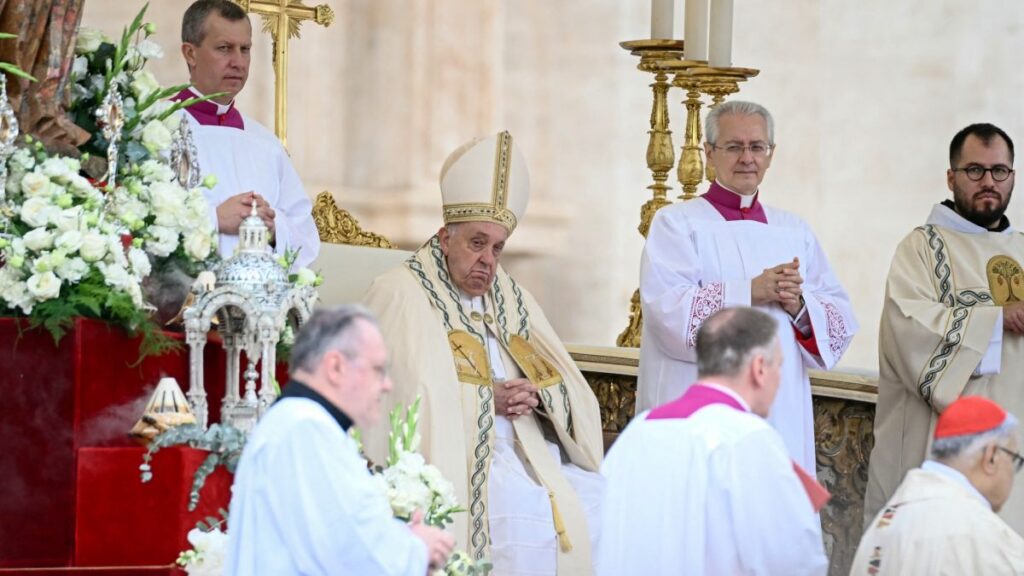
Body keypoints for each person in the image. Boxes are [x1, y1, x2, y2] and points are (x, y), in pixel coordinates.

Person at [362, 131, 605, 575]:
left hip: (530, 453)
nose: (488, 261)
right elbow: (392, 394)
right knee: (524, 521)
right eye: (476, 243)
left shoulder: (513, 299)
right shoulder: (400, 293)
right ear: (445, 237)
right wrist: (484, 398)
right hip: (461, 458)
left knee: (606, 505)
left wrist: (539, 395)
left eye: (497, 248)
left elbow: (564, 384)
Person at [637, 100, 858, 472]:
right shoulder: (676, 224)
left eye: (757, 147)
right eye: (734, 146)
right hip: (700, 409)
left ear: (771, 155)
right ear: (709, 153)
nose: (747, 158)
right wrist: (749, 292)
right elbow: (667, 313)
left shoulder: (794, 231)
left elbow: (838, 323)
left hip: (779, 409)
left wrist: (799, 306)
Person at [865, 122, 1024, 533]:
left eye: (999, 171)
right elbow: (908, 327)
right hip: (941, 457)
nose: (988, 182)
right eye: (974, 171)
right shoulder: (921, 248)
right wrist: (996, 318)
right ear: (951, 177)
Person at [225, 305, 455, 575]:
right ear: (335, 367)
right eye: (378, 369)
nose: (387, 385)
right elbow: (348, 553)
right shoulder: (305, 429)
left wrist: (399, 537)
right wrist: (418, 549)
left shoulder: (302, 423)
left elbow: (331, 531)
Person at [599, 307, 827, 575]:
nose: (779, 379)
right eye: (779, 365)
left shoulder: (636, 434)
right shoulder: (748, 439)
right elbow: (794, 559)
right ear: (759, 369)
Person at [176, 0, 319, 267]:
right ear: (190, 53)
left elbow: (306, 237)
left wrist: (272, 225)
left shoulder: (265, 144)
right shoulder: (156, 127)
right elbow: (135, 223)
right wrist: (214, 219)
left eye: (245, 49)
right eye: (224, 49)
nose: (238, 62)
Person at [854, 396, 1024, 574]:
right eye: (1014, 459)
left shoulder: (886, 521)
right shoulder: (983, 537)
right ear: (991, 456)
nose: (1013, 472)